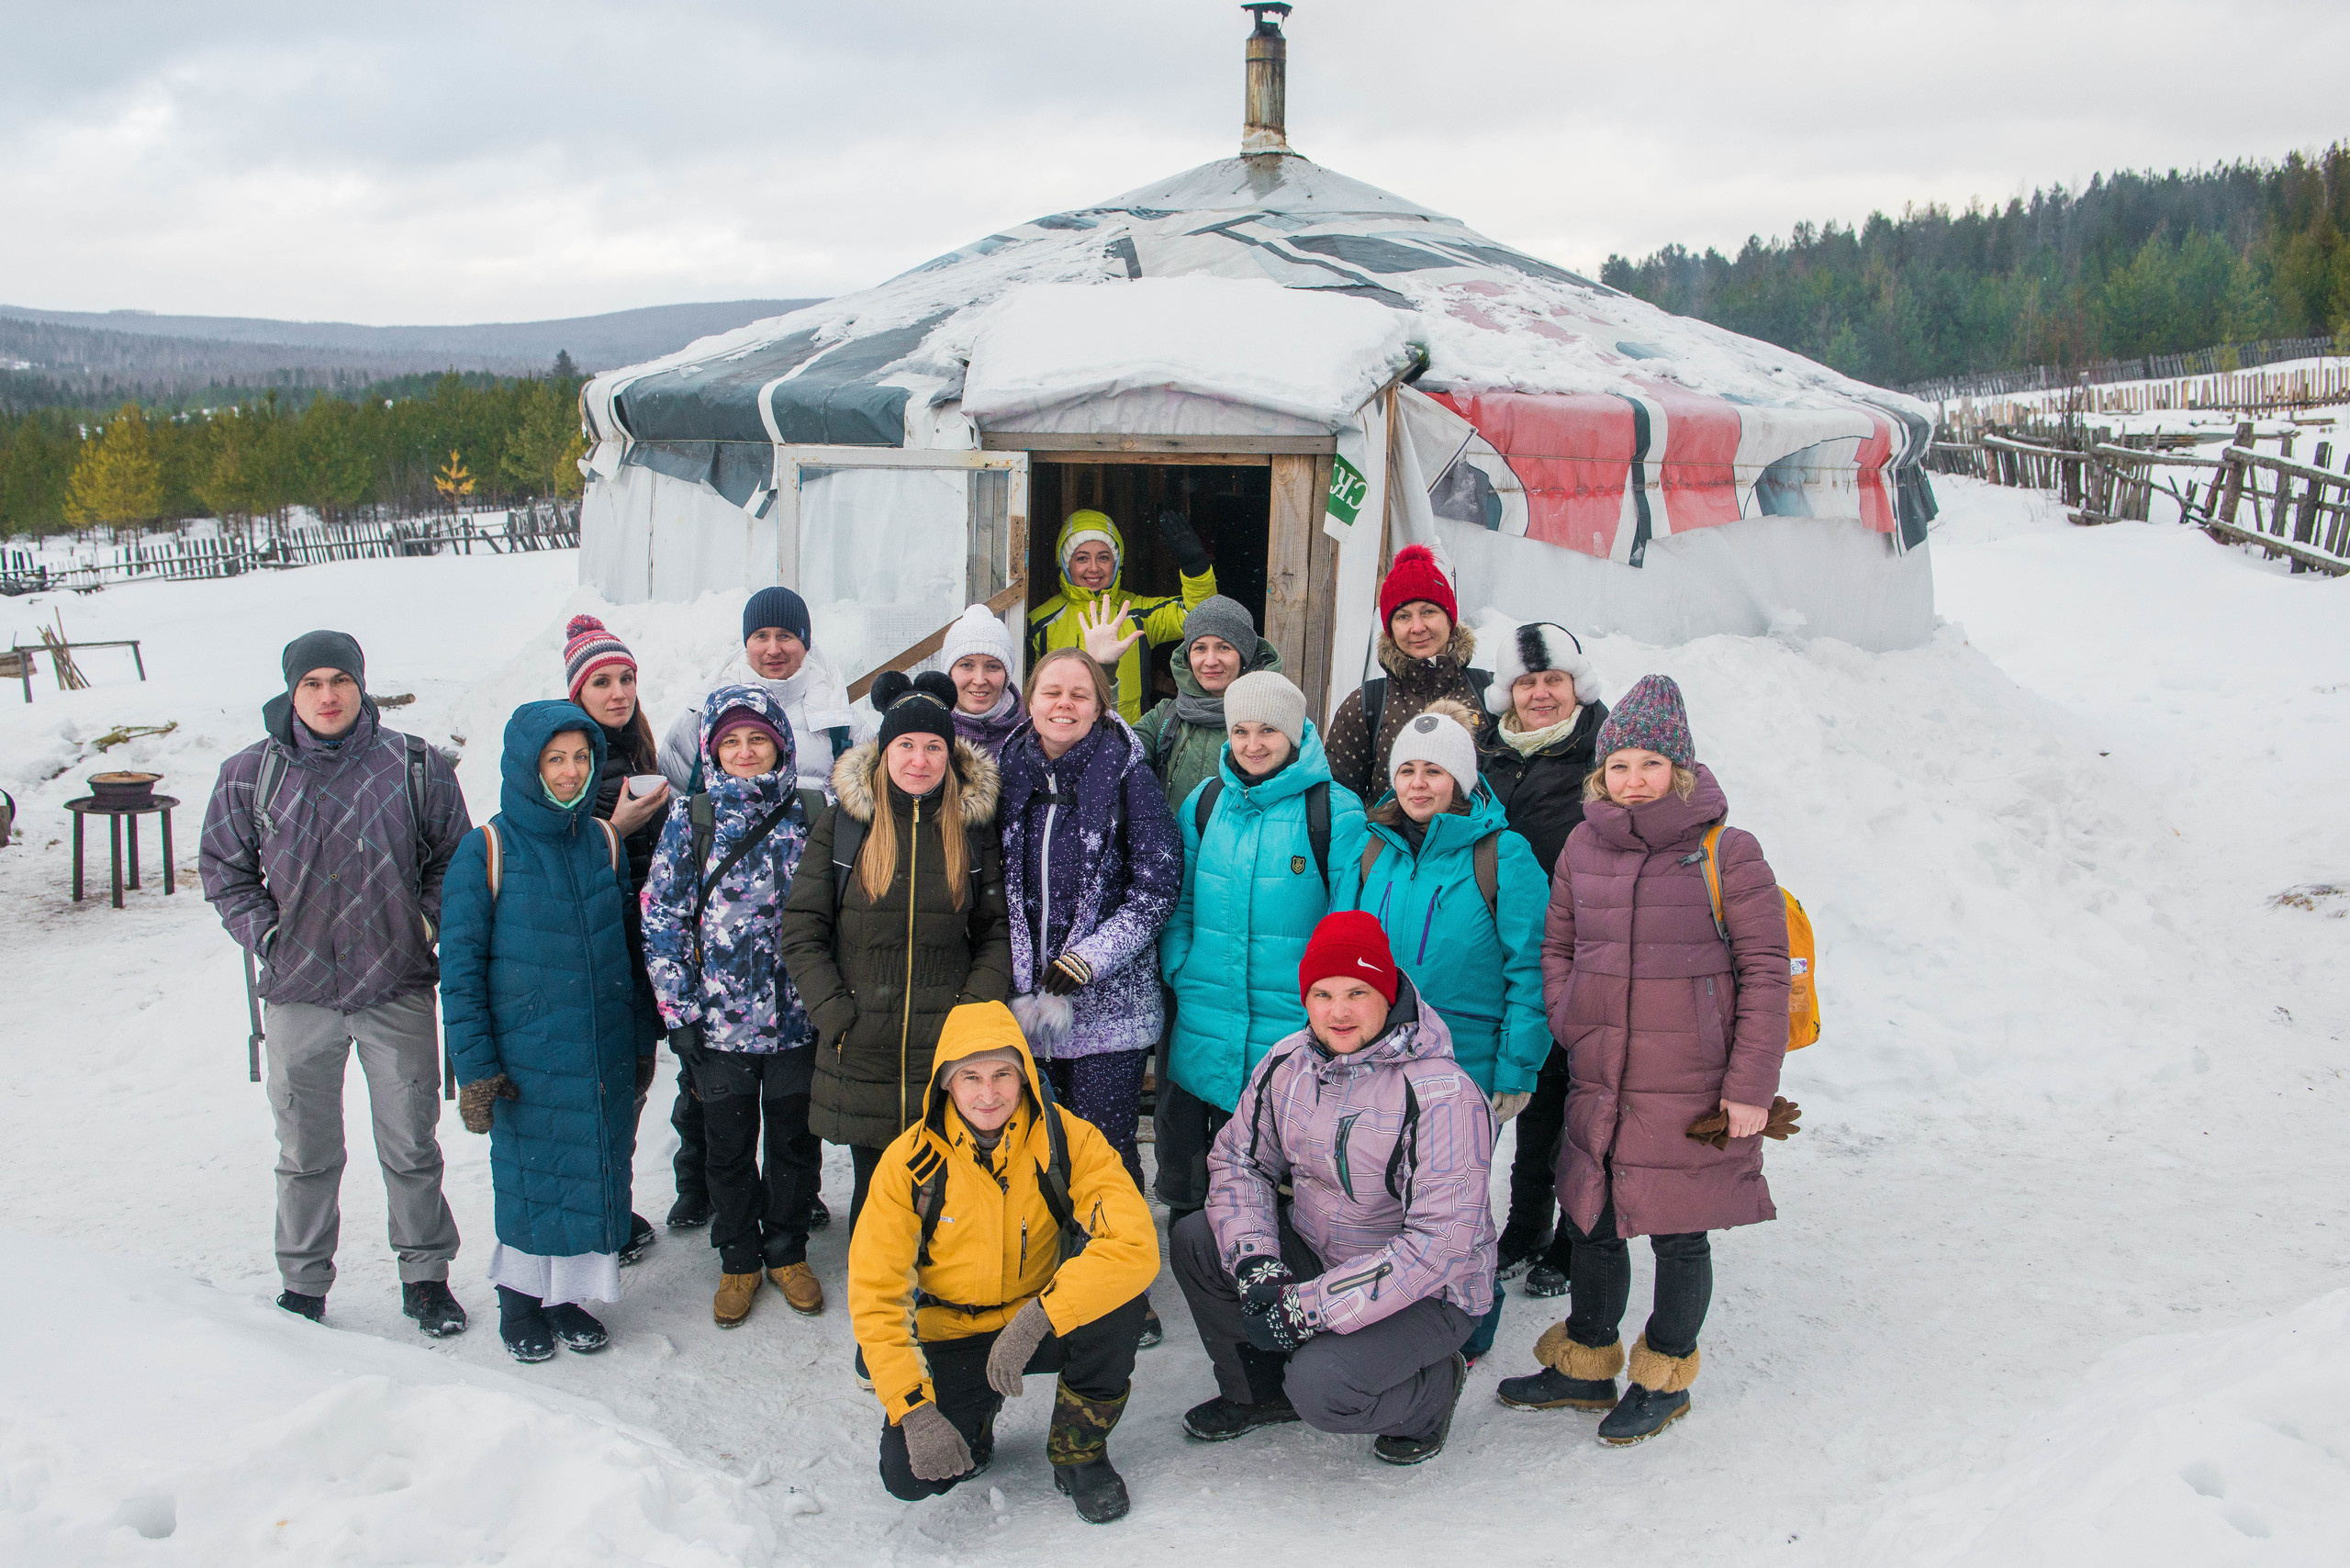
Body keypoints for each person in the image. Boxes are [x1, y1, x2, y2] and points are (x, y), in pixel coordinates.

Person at [1496, 675, 1790, 1444]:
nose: (1632, 781)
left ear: (1679, 770)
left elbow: (1765, 974)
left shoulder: (1727, 852)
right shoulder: (1583, 849)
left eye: (1649, 765)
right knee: (1593, 1219)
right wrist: (1570, 1013)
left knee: (1678, 1232)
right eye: (1618, 765)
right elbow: (1557, 943)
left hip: (1689, 1080)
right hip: (1602, 1070)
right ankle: (1586, 1362)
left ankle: (1666, 1371)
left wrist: (1751, 1085)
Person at [200, 631, 471, 1334]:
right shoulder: (247, 773)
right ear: (293, 692)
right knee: (306, 1150)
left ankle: (425, 1275)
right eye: (313, 683)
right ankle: (305, 1282)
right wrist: (266, 936)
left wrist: (424, 924)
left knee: (412, 1142)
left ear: (360, 685)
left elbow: (455, 859)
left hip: (397, 986)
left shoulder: (416, 765)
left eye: (340, 681)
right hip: (299, 994)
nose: (328, 695)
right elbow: (223, 871)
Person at [1171, 912, 1494, 1465]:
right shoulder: (1287, 1064)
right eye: (1322, 993)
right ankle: (1260, 1393)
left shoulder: (1443, 1096)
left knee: (1324, 1387)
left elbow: (1437, 1247)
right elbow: (1239, 1162)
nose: (1337, 1011)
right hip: (1321, 1251)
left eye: (1356, 991)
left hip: (1429, 1294)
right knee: (1199, 1239)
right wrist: (1259, 1267)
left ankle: (1434, 1390)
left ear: (1387, 993)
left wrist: (1307, 1308)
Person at [848, 1002, 1159, 1523]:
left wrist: (1042, 1315)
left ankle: (1079, 1453)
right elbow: (876, 1294)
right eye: (970, 1076)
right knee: (910, 1476)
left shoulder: (1067, 1139)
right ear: (946, 1083)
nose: (988, 1094)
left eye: (1002, 1075)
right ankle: (976, 1414)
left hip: (1039, 1319)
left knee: (1120, 1302)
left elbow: (1133, 1243)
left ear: (1024, 1077)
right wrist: (914, 1410)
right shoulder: (908, 1163)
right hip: (950, 1330)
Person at [440, 701, 660, 1361]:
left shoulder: (603, 841)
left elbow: (627, 950)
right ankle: (519, 1303)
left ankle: (567, 1298)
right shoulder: (487, 850)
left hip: (598, 1051)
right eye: (555, 760)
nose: (570, 773)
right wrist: (476, 1068)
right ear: (525, 766)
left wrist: (641, 1039)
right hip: (526, 1059)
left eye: (581, 758)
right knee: (532, 1179)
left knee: (592, 1173)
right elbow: (460, 973)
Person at [1330, 699, 1548, 1362]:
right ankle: (1402, 1310)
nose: (1419, 784)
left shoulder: (1501, 855)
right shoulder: (1370, 848)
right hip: (1377, 1059)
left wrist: (1517, 1070)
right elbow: (1337, 954)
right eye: (1407, 771)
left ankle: (1472, 1322)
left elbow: (1531, 968)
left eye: (1434, 771)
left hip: (1467, 1063)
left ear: (1462, 779)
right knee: (1384, 1194)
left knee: (1456, 1202)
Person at [778, 670, 1013, 1226]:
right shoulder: (845, 827)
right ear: (884, 752)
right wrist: (836, 1014)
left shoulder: (970, 830)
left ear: (949, 756)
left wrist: (969, 1014)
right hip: (864, 1040)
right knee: (877, 1188)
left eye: (934, 747)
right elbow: (802, 929)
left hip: (944, 1045)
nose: (919, 760)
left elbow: (995, 934)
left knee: (946, 1186)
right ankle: (877, 1299)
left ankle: (940, 1288)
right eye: (905, 745)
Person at [997, 647, 1182, 1341]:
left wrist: (1090, 959)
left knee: (1105, 1148)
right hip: (1028, 1008)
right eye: (1053, 691)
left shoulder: (1128, 773)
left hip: (1110, 1008)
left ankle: (1123, 1288)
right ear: (1031, 700)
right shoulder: (1009, 772)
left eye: (1081, 694)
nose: (1065, 704)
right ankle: (1051, 1277)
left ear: (1101, 705)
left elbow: (1157, 884)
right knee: (1037, 1144)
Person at [642, 684, 825, 1327]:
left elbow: (835, 910)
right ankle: (740, 1257)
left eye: (757, 739)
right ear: (712, 751)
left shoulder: (810, 811)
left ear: (779, 743)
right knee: (726, 1147)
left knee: (795, 1146)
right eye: (731, 742)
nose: (746, 752)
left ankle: (788, 1250)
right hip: (719, 1028)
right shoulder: (692, 819)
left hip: (799, 1021)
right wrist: (680, 1012)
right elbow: (663, 917)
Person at [1157, 670, 1366, 1222]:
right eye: (1242, 730)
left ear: (1294, 733)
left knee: (1273, 1158)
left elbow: (1348, 921)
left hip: (1288, 1019)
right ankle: (1195, 1245)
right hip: (1206, 1005)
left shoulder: (1334, 811)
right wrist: (1181, 963)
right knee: (1197, 1159)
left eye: (1268, 731)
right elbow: (1179, 900)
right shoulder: (1206, 803)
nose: (1253, 745)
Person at [1474, 621, 1609, 1296]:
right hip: (1506, 954)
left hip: (1586, 956)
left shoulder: (1603, 754)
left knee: (1570, 1107)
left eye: (1553, 680)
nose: (1541, 695)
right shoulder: (1487, 753)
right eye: (1527, 683)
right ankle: (1523, 1228)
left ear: (1575, 684)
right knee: (1522, 1092)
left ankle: (1564, 1239)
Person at [563, 614, 672, 1253]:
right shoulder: (568, 758)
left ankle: (613, 1205)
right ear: (577, 691)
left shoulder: (640, 751)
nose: (618, 692)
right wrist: (619, 827)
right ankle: (595, 1214)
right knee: (600, 1093)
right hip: (593, 953)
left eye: (626, 678)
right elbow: (554, 859)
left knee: (632, 1085)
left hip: (639, 952)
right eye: (601, 681)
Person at [1324, 544, 1489, 801]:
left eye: (1429, 612)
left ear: (1449, 618)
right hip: (1393, 842)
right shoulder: (1367, 703)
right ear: (1390, 628)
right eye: (1403, 616)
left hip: (1481, 840)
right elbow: (1338, 801)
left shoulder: (1489, 692)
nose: (1417, 627)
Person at [658, 586, 857, 798]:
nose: (773, 649)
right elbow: (674, 805)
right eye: (761, 636)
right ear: (747, 643)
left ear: (805, 644)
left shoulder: (839, 720)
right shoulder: (700, 717)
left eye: (785, 636)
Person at [1025, 506, 1217, 724]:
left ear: (1117, 563)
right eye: (1082, 558)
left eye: (1104, 557)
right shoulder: (1040, 623)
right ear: (1065, 563)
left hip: (1130, 739)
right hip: (1063, 738)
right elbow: (1027, 695)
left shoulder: (1136, 612)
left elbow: (1201, 615)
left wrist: (1196, 566)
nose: (1094, 568)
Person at [1131, 594, 1279, 812]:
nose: (1210, 661)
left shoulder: (1275, 718)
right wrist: (1105, 669)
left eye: (1224, 648)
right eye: (1200, 648)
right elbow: (1116, 756)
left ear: (1244, 656)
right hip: (1171, 845)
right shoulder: (1166, 716)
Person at [937, 603, 1026, 761]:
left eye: (992, 666)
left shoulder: (1030, 736)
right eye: (967, 665)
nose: (979, 680)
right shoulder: (926, 730)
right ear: (949, 673)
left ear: (1007, 675)